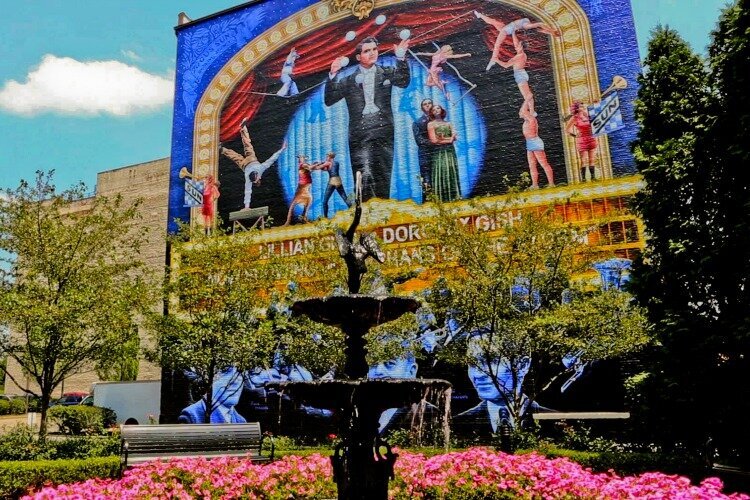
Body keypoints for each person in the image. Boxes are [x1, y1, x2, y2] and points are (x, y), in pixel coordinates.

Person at [324, 36, 411, 200]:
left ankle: (383, 210)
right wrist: (333, 74)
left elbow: (404, 81)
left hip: (384, 130)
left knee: (383, 174)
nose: (372, 53)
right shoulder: (348, 80)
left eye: (374, 49)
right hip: (360, 135)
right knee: (364, 175)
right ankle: (365, 215)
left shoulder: (386, 72)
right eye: (366, 51)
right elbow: (330, 100)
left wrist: (400, 58)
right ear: (358, 57)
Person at [453, 332, 552, 440]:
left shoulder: (554, 421)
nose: (478, 374)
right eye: (472, 363)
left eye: (491, 361)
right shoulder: (457, 424)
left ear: (522, 365)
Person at [219, 119, 287, 209]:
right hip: (250, 159)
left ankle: (223, 149)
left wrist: (247, 206)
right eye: (256, 177)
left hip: (245, 163)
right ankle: (242, 128)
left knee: (237, 153)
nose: (256, 176)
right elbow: (272, 159)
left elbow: (248, 191)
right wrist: (281, 150)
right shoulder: (261, 169)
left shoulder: (250, 178)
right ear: (259, 178)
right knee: (246, 145)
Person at [368, 353, 437, 436]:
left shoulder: (428, 413)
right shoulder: (357, 412)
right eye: (373, 363)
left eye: (390, 363)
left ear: (411, 371)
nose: (378, 371)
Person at [474, 11, 560, 71]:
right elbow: (541, 27)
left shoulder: (527, 25)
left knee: (497, 44)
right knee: (493, 22)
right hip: (508, 27)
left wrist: (553, 32)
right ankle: (480, 15)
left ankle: (493, 59)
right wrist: (552, 32)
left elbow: (540, 25)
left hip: (507, 30)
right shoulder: (527, 25)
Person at [178, 367, 246, 424]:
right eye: (225, 370)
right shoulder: (191, 417)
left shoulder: (241, 420)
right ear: (206, 376)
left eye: (240, 370)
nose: (236, 381)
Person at [427, 105, 462, 202]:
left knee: (451, 171)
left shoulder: (448, 123)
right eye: (433, 109)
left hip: (450, 151)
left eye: (438, 108)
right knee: (441, 171)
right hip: (439, 152)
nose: (436, 110)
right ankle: (441, 199)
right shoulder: (431, 124)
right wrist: (449, 139)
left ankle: (454, 197)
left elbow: (455, 137)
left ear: (442, 110)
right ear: (432, 113)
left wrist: (444, 139)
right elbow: (434, 140)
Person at [496, 32, 535, 115]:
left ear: (521, 47)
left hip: (520, 75)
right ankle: (531, 111)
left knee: (527, 95)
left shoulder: (519, 56)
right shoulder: (522, 54)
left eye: (518, 45)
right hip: (521, 74)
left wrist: (497, 60)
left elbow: (506, 65)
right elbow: (516, 43)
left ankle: (531, 112)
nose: (516, 45)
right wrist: (513, 33)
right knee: (527, 95)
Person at [519, 99, 555, 189]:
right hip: (529, 143)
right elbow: (523, 111)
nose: (520, 112)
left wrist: (527, 99)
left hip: (535, 142)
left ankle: (551, 183)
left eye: (522, 111)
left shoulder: (531, 119)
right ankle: (535, 185)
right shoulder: (525, 121)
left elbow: (524, 110)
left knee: (543, 163)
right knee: (532, 165)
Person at [284, 154, 320, 225]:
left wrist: (317, 165)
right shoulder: (302, 165)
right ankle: (288, 222)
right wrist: (317, 164)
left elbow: (310, 169)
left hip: (306, 189)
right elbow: (310, 167)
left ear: (304, 158)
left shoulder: (305, 165)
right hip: (302, 189)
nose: (300, 159)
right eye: (300, 158)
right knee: (293, 204)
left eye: (302, 158)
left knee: (308, 200)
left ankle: (304, 218)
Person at [565, 101, 598, 182]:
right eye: (580, 106)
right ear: (576, 108)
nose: (582, 107)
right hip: (582, 140)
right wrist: (575, 136)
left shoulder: (587, 115)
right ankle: (583, 179)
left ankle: (593, 177)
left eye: (582, 106)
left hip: (591, 138)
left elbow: (595, 121)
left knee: (592, 159)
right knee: (583, 160)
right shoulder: (574, 118)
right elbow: (567, 130)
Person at [317, 152, 353, 218]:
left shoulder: (328, 163)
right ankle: (353, 211)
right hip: (338, 180)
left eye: (327, 156)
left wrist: (317, 165)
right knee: (344, 197)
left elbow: (319, 167)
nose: (326, 158)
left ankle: (325, 217)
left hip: (332, 181)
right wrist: (323, 163)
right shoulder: (337, 163)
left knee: (325, 201)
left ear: (330, 157)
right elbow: (327, 169)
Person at [412, 98, 434, 197]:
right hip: (425, 153)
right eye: (425, 104)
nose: (428, 105)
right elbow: (419, 140)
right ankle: (428, 200)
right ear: (422, 108)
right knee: (426, 177)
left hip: (439, 152)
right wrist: (434, 142)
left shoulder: (439, 120)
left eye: (429, 103)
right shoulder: (417, 122)